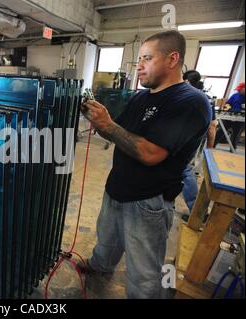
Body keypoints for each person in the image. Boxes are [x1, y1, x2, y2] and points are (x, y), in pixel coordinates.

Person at [80, 30, 212, 298]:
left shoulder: (190, 102)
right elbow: (120, 135)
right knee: (106, 240)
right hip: (117, 187)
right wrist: (98, 120)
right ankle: (100, 265)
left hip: (147, 200)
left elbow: (152, 154)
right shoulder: (142, 97)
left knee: (144, 274)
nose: (139, 65)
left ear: (172, 59)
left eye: (147, 58)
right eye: (139, 58)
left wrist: (109, 125)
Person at [180, 70, 217, 219]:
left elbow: (212, 126)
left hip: (185, 141)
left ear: (187, 82)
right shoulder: (207, 98)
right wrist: (209, 146)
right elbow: (212, 125)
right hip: (196, 141)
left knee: (186, 171)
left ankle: (198, 213)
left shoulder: (189, 96)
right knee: (184, 170)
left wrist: (209, 149)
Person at [215, 82, 245, 149]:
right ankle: (213, 144)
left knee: (236, 134)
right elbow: (227, 104)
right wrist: (228, 109)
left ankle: (233, 148)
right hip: (229, 117)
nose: (239, 90)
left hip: (240, 119)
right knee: (220, 131)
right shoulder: (235, 95)